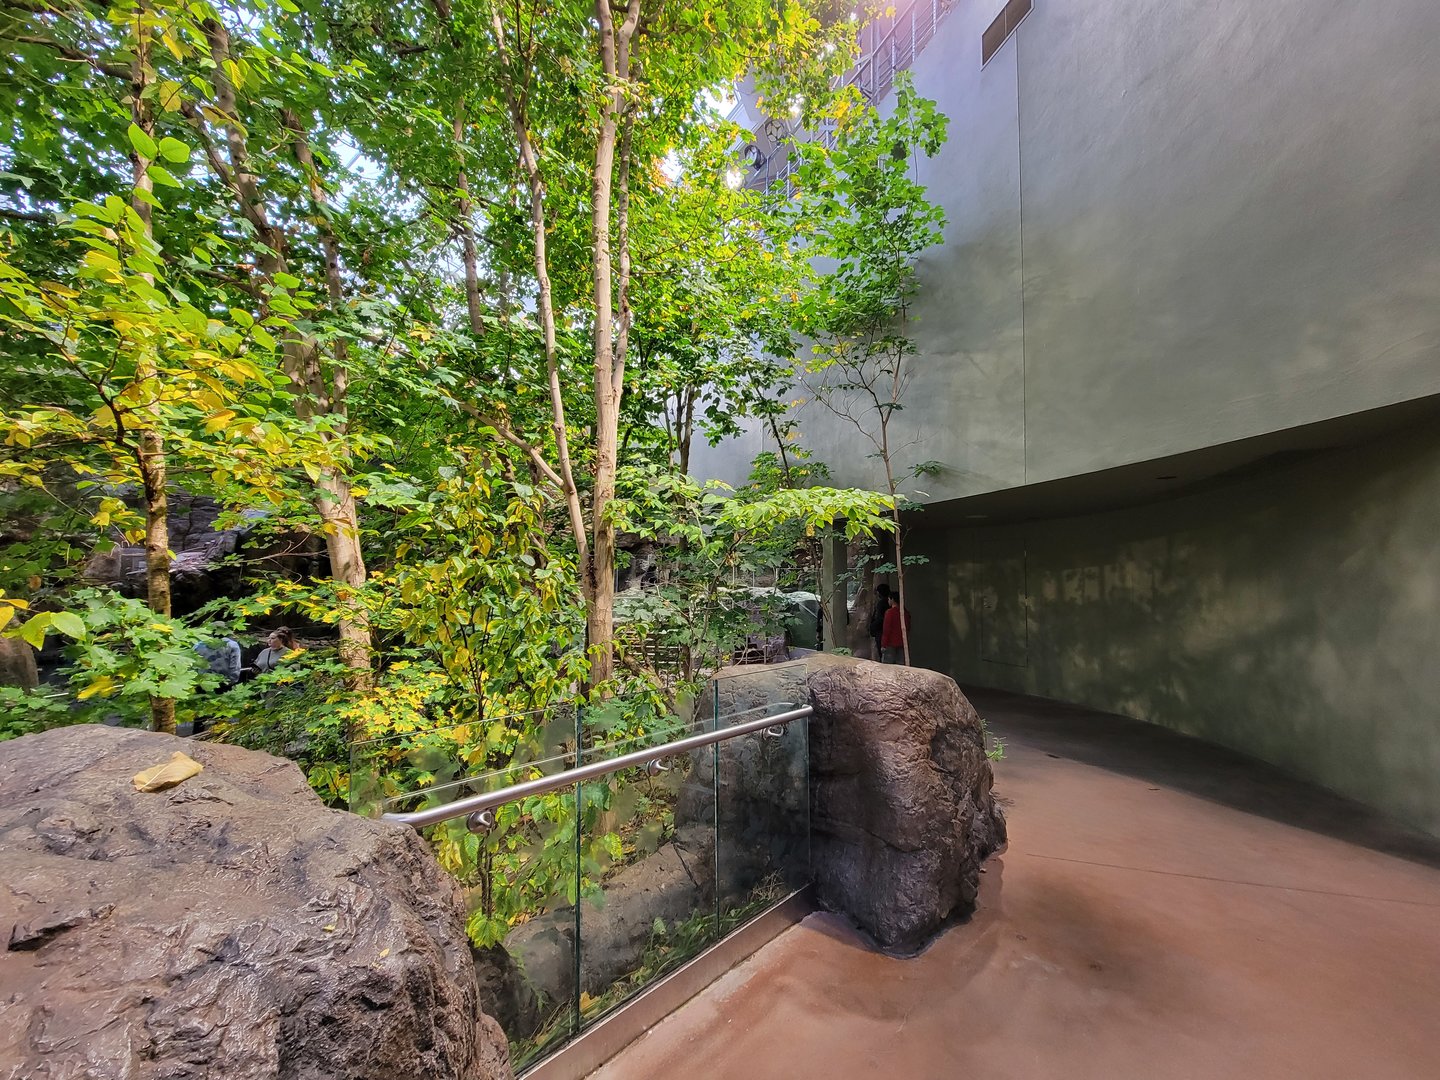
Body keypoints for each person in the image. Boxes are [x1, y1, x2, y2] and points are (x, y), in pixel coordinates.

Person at [881, 593, 911, 665]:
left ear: (892, 600)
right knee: (900, 666)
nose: (888, 601)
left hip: (890, 643)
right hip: (902, 642)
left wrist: (883, 644)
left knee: (888, 665)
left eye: (889, 599)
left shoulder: (890, 613)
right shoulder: (905, 613)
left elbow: (886, 630)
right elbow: (908, 627)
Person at [868, 582, 891, 661]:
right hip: (885, 631)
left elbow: (880, 618)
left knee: (883, 655)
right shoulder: (887, 603)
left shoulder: (882, 603)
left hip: (881, 632)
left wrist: (872, 627)